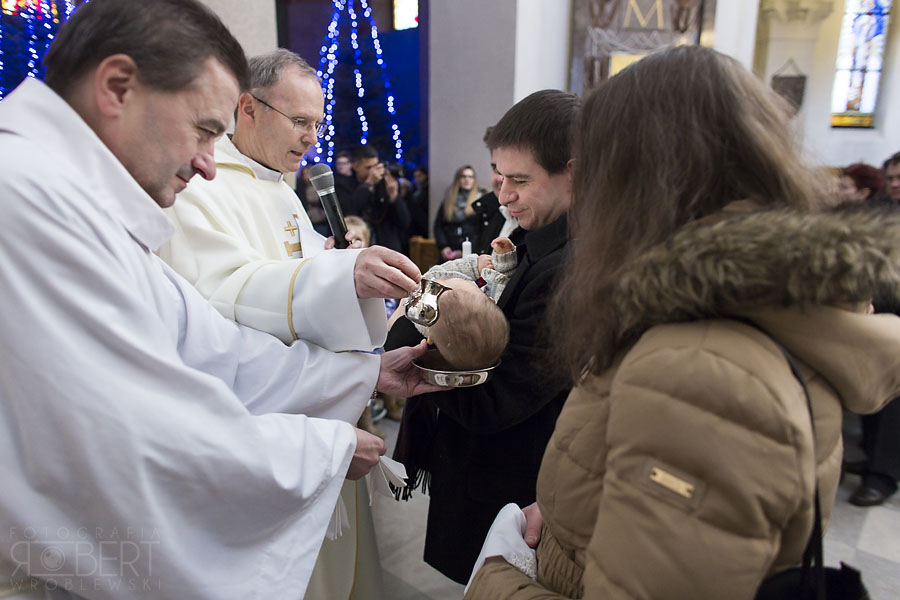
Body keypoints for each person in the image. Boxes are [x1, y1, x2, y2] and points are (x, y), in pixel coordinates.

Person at [0, 2, 440, 597]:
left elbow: (211, 346)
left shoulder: (73, 202)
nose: (210, 163)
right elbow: (135, 436)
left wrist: (363, 375)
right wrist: (320, 448)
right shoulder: (24, 198)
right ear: (117, 87)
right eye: (205, 129)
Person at [466, 45, 900, 598]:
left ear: (638, 177)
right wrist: (576, 507)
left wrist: (496, 578)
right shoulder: (747, 301)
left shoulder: (697, 364)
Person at [391, 90, 579, 584]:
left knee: (498, 586)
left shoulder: (567, 268)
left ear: (575, 172)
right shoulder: (532, 232)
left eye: (520, 180)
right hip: (486, 460)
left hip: (510, 470)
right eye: (499, 176)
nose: (503, 195)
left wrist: (426, 347)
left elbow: (500, 398)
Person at [473, 126, 523, 255]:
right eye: (496, 169)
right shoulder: (487, 212)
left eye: (512, 171)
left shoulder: (537, 222)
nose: (502, 179)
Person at [434, 165, 486, 261]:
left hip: (471, 253)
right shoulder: (448, 200)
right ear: (458, 179)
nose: (467, 180)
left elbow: (482, 231)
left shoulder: (480, 201)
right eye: (463, 176)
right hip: (449, 251)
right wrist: (444, 246)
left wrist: (465, 251)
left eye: (470, 177)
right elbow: (439, 226)